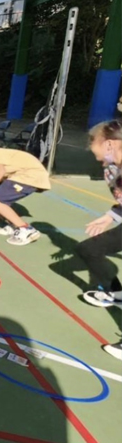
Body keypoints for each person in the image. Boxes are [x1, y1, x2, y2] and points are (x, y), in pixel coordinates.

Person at [75, 120, 122, 360]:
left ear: (110, 144)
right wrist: (111, 215)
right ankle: (117, 293)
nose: (91, 149)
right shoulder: (114, 169)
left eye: (93, 143)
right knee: (89, 249)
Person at [0, 136, 50, 246]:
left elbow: (0, 172)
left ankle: (26, 229)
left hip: (29, 177)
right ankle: (14, 226)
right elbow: (2, 176)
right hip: (27, 176)